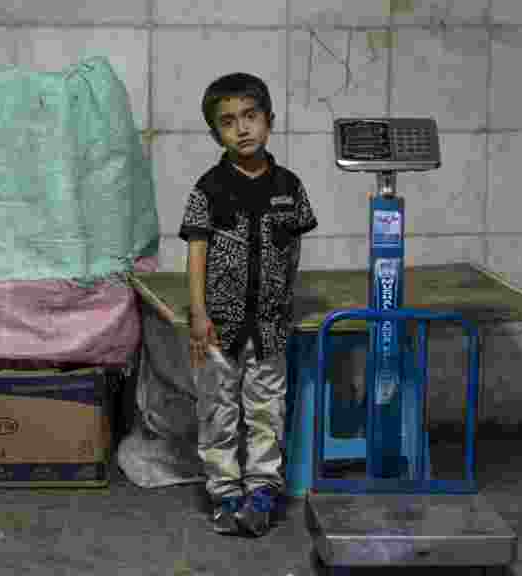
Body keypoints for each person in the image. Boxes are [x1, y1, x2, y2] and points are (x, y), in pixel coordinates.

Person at [178, 72, 317, 537]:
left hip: (271, 327)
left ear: (269, 121)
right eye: (228, 121)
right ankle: (225, 494)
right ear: (215, 133)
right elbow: (196, 253)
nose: (242, 128)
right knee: (217, 411)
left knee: (266, 411)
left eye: (250, 116)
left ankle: (261, 493)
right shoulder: (208, 189)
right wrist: (199, 316)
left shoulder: (290, 187)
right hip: (219, 327)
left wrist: (284, 305)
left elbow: (293, 252)